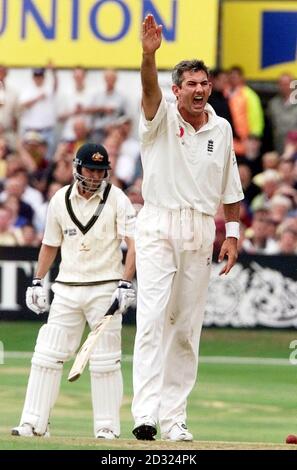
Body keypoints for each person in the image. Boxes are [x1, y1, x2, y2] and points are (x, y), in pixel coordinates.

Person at [132, 14, 244, 442]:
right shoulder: (159, 117)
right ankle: (146, 414)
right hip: (159, 222)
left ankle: (175, 417)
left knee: (186, 326)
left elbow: (230, 188)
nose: (199, 90)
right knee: (154, 318)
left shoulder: (222, 128)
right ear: (176, 89)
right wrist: (148, 56)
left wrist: (232, 235)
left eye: (204, 83)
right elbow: (147, 89)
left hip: (200, 229)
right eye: (190, 84)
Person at [11, 142, 136, 439]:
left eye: (100, 171)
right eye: (90, 170)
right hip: (67, 288)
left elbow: (134, 245)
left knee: (105, 360)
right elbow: (50, 245)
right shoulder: (59, 199)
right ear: (76, 168)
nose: (94, 176)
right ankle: (33, 422)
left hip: (105, 287)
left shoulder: (117, 199)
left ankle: (107, 427)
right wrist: (37, 280)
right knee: (46, 354)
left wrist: (125, 282)